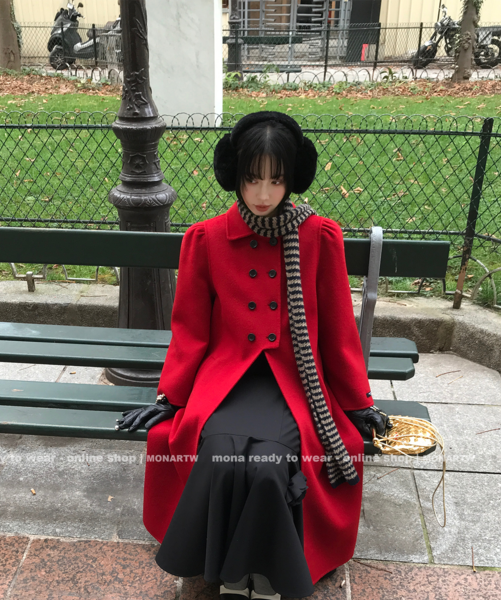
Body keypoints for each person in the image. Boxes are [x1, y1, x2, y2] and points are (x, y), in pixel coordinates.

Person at [116, 111, 391, 600]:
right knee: (219, 456)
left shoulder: (319, 236)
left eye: (276, 180)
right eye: (252, 178)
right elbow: (190, 331)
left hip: (295, 383)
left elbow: (337, 332)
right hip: (226, 381)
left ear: (293, 179)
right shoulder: (205, 239)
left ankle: (268, 575)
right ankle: (224, 571)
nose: (263, 194)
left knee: (269, 464)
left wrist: (357, 402)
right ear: (234, 175)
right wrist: (170, 396)